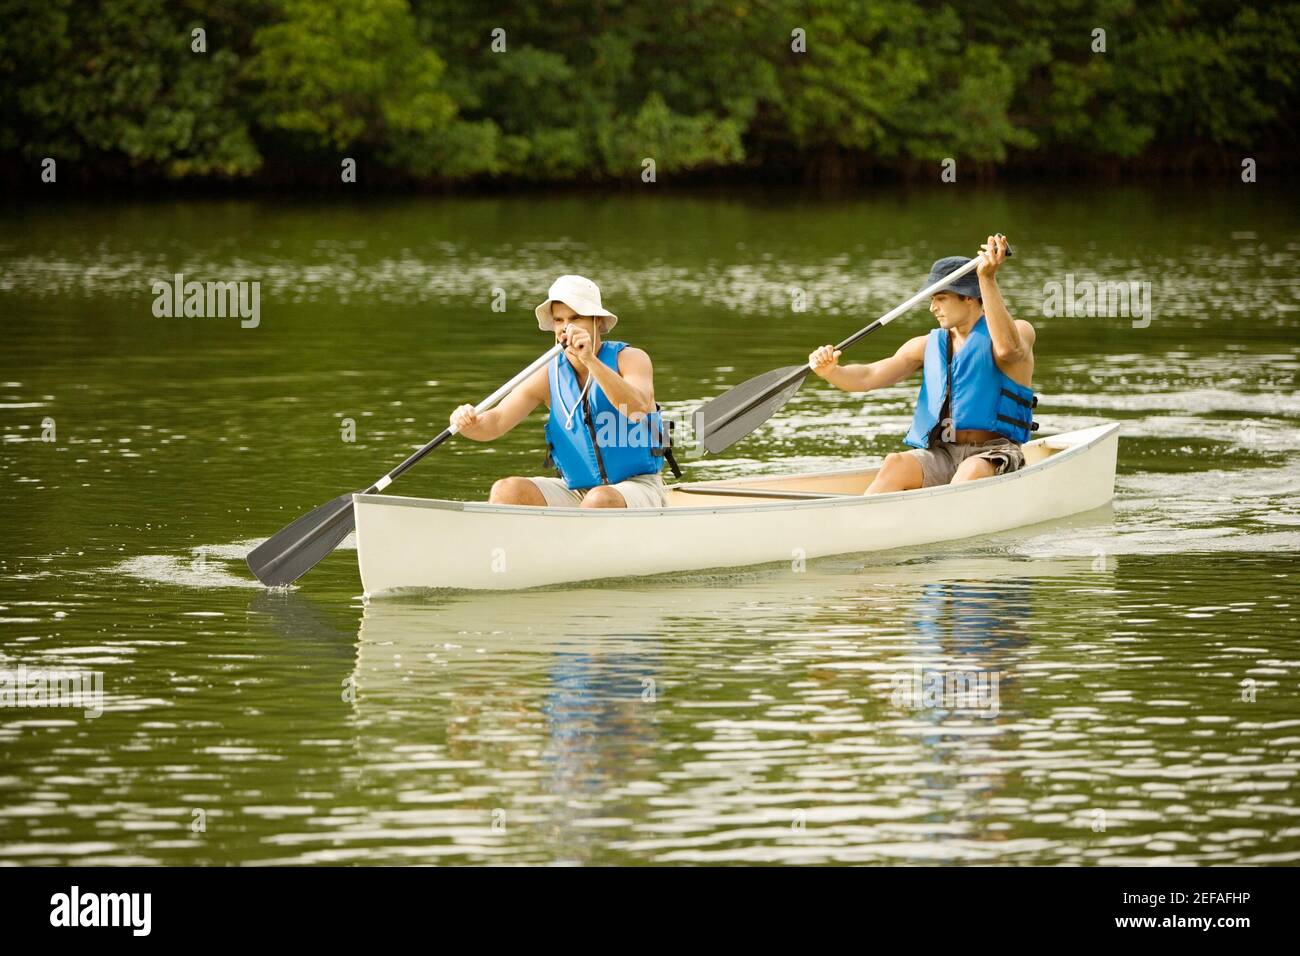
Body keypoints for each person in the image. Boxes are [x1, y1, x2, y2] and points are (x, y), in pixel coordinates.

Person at [808, 234, 1037, 494]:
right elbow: (867, 377)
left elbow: (1007, 350)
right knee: (895, 463)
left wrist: (986, 278)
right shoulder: (927, 345)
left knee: (971, 470)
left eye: (940, 298)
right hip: (943, 453)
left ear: (969, 297)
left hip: (994, 452)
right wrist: (831, 371)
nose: (932, 308)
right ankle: (859, 522)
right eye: (931, 300)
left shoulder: (1019, 331)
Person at [449, 274, 675, 508]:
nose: (566, 327)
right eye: (559, 320)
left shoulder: (631, 359)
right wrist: (470, 422)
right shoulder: (547, 374)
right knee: (506, 490)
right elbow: (495, 422)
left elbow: (637, 408)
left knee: (598, 500)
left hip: (638, 486)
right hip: (576, 490)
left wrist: (589, 360)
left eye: (576, 317)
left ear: (597, 321)